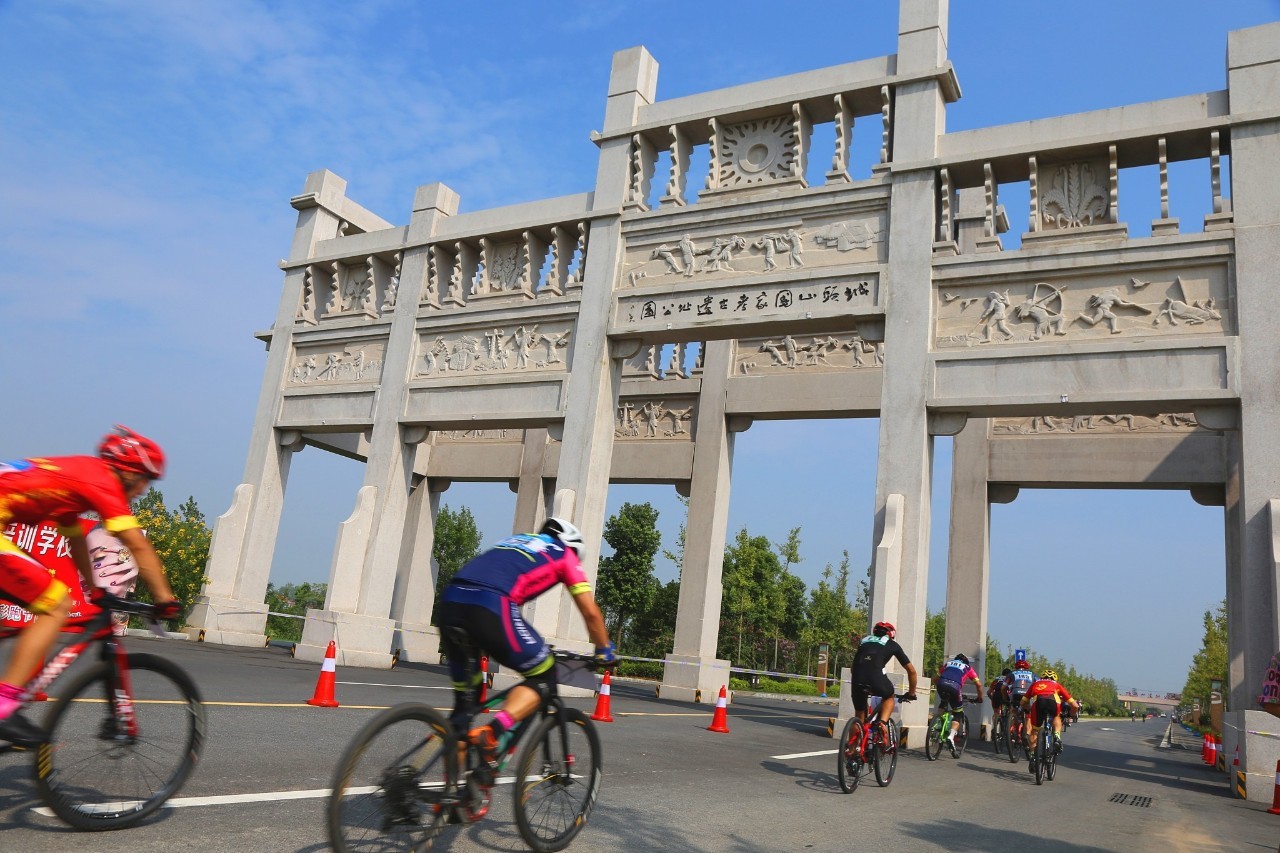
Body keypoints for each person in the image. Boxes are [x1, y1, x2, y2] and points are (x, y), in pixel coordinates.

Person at [0, 426, 180, 746]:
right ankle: (4, 703)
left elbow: (74, 538)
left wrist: (95, 589)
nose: (143, 490)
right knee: (56, 604)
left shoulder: (78, 475)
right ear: (128, 472)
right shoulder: (101, 482)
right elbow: (137, 545)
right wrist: (164, 597)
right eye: (145, 480)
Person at [437, 517, 615, 770]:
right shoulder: (565, 555)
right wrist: (604, 650)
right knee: (544, 675)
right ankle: (493, 731)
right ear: (573, 547)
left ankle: (450, 798)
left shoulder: (513, 541)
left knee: (465, 709)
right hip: (490, 606)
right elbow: (591, 613)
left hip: (451, 602)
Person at [850, 621, 918, 743]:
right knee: (888, 696)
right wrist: (911, 693)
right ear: (891, 634)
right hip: (876, 678)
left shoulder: (864, 641)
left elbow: (853, 668)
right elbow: (911, 671)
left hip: (857, 678)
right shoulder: (892, 644)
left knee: (859, 716)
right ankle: (882, 723)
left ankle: (852, 751)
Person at [1021, 668, 1078, 754]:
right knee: (1057, 717)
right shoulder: (1057, 685)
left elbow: (1023, 702)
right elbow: (1075, 705)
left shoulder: (1035, 684)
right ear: (1054, 679)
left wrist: (1028, 708)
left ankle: (1032, 756)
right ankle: (1057, 736)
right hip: (1053, 703)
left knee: (1035, 731)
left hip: (1038, 703)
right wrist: (1071, 715)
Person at [936, 652, 984, 753]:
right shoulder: (968, 668)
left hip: (941, 684)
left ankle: (937, 724)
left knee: (944, 701)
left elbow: (935, 679)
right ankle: (951, 736)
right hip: (955, 687)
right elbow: (979, 685)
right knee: (957, 713)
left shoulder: (948, 664)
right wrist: (979, 698)